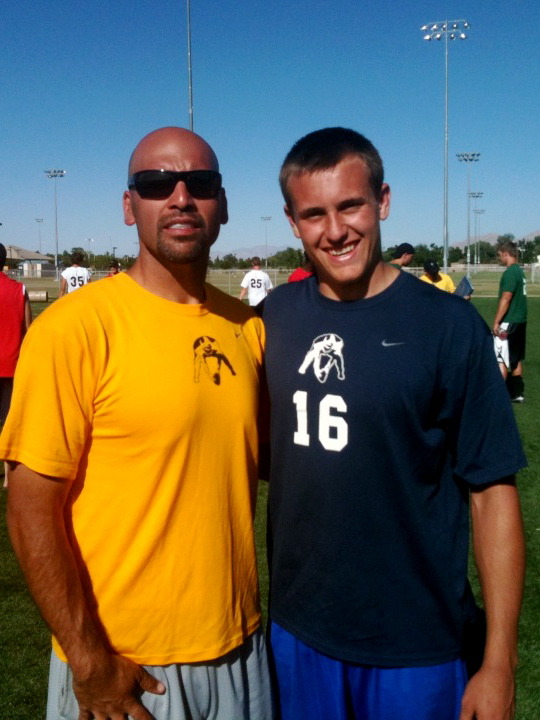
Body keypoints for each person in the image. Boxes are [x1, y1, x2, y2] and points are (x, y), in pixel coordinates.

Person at [0, 127, 272, 720]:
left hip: (240, 644)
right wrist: (88, 658)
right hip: (125, 665)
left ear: (222, 204)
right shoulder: (73, 329)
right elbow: (29, 507)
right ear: (130, 206)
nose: (180, 197)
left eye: (200, 183)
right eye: (156, 184)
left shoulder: (247, 327)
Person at [261, 127, 526, 720]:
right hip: (298, 633)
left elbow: (492, 494)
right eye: (314, 214)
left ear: (382, 201)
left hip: (417, 643)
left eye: (350, 205)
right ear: (292, 222)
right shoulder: (273, 318)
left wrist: (500, 662)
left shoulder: (448, 326)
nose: (335, 230)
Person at [0, 243, 32, 487]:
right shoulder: (19, 289)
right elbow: (29, 330)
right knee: (8, 420)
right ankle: (8, 477)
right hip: (11, 362)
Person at [492, 240, 527, 402]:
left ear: (506, 253)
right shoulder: (520, 271)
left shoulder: (511, 272)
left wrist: (496, 322)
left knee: (500, 358)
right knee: (515, 357)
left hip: (509, 322)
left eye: (500, 255)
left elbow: (506, 298)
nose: (499, 258)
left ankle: (498, 394)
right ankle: (518, 393)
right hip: (520, 321)